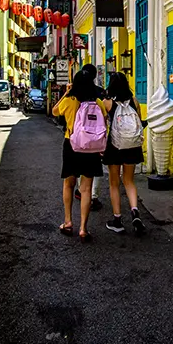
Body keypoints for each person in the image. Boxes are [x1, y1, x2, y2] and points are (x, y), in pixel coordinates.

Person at [52, 71, 107, 242]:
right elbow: (104, 123)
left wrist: (66, 93)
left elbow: (54, 111)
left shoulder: (69, 101)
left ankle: (68, 222)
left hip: (72, 146)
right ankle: (84, 228)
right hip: (91, 148)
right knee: (86, 189)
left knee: (68, 184)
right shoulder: (97, 103)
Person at [102, 72, 146, 235]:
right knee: (129, 181)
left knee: (114, 182)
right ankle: (135, 212)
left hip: (115, 146)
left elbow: (102, 124)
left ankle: (117, 220)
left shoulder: (107, 103)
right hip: (133, 146)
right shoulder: (134, 102)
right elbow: (139, 123)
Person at [72, 63, 107, 211]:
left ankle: (81, 191)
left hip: (79, 141)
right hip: (96, 140)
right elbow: (105, 118)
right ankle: (93, 196)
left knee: (80, 170)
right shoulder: (99, 95)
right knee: (95, 170)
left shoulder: (74, 97)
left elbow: (59, 113)